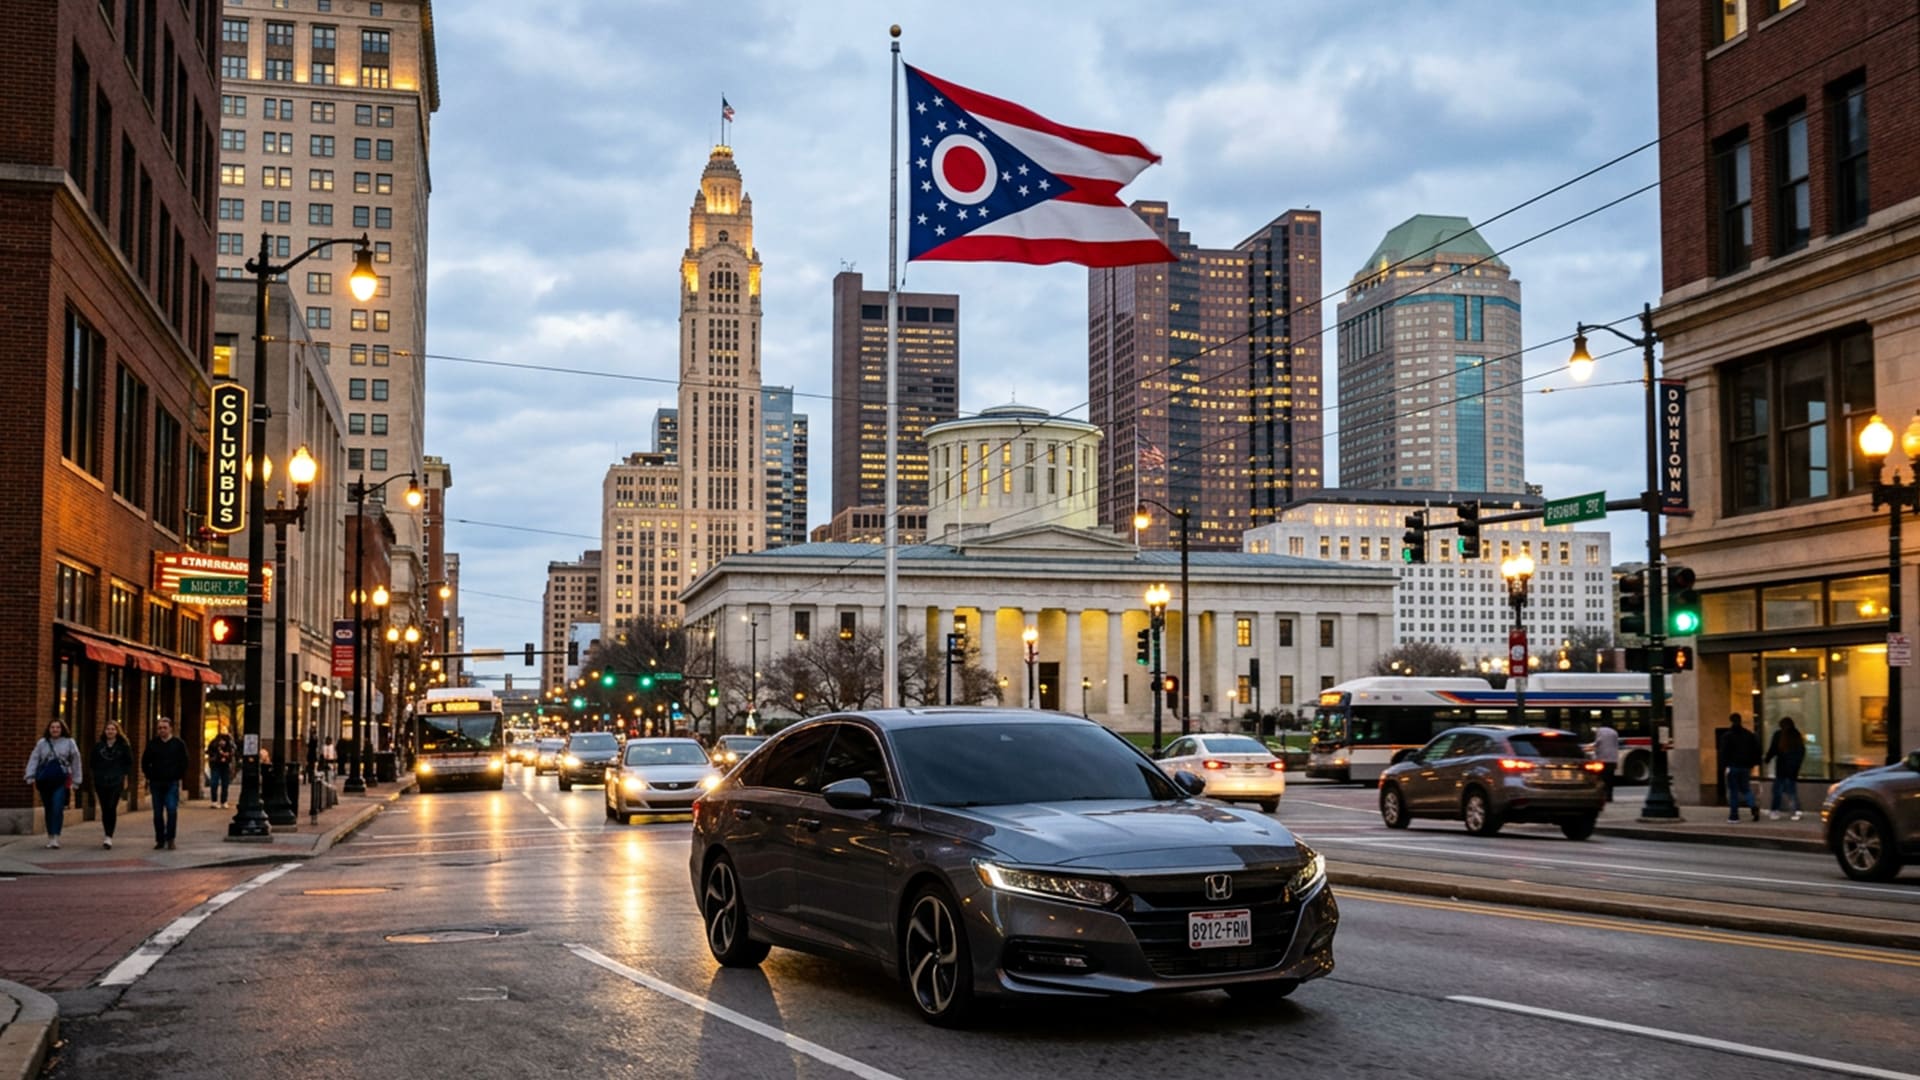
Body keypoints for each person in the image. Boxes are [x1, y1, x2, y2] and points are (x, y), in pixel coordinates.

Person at [22, 720, 82, 849]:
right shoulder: (42, 743)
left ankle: (55, 837)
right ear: (49, 729)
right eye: (52, 727)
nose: (55, 729)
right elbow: (34, 758)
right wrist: (30, 775)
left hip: (61, 779)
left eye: (58, 727)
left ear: (62, 729)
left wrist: (77, 780)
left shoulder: (69, 742)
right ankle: (50, 835)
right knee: (48, 808)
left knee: (57, 806)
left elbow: (76, 761)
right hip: (45, 780)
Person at [143, 717, 190, 850]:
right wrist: (149, 775)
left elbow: (185, 761)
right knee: (157, 813)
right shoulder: (153, 744)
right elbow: (145, 762)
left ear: (170, 729)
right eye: (160, 728)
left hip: (171, 782)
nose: (162, 730)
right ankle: (160, 839)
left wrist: (178, 775)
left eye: (164, 728)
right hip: (156, 782)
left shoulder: (178, 744)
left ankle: (170, 838)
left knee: (171, 810)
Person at [91, 720, 134, 849]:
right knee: (105, 808)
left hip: (116, 780)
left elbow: (129, 762)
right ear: (105, 731)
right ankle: (106, 833)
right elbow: (92, 762)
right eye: (108, 729)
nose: (110, 731)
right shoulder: (99, 747)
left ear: (117, 731)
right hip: (101, 781)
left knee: (111, 806)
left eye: (113, 729)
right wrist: (96, 776)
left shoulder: (123, 746)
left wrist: (124, 776)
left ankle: (109, 836)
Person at [1719, 712, 1762, 823]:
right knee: (1746, 789)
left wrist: (1723, 766)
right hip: (1745, 766)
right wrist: (1753, 763)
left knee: (1734, 791)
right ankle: (1753, 807)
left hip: (1733, 766)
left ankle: (1734, 816)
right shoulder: (1749, 735)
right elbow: (1756, 750)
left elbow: (1723, 753)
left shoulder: (1727, 736)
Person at [1765, 716, 1806, 821]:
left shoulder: (1778, 735)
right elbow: (1802, 751)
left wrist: (1767, 759)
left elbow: (1773, 749)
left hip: (1782, 768)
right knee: (1792, 790)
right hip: (1793, 769)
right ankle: (1796, 811)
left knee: (1777, 790)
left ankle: (1775, 811)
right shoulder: (1796, 735)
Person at [206, 726, 237, 809]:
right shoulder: (214, 742)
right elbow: (209, 751)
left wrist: (227, 757)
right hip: (216, 765)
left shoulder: (230, 742)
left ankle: (223, 801)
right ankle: (215, 801)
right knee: (215, 783)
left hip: (224, 765)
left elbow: (233, 751)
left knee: (224, 783)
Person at [1591, 722, 1621, 802]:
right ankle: (1610, 796)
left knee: (1601, 778)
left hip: (1602, 759)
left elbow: (1598, 742)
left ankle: (1602, 796)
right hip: (1612, 759)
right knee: (1610, 779)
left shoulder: (1600, 731)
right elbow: (1616, 746)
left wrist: (1593, 747)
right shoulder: (1614, 732)